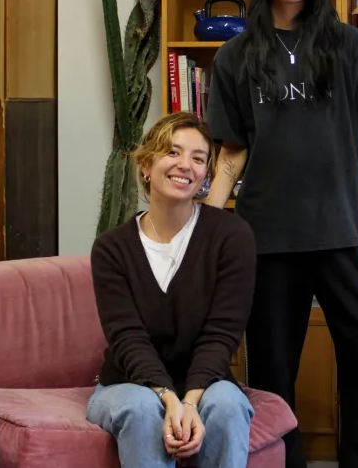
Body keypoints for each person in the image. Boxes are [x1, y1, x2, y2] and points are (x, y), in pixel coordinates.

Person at [206, 0, 358, 468]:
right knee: (272, 377)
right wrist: (206, 231)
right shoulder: (235, 56)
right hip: (267, 239)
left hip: (345, 233)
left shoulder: (348, 45)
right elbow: (232, 153)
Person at [87, 110, 257, 468]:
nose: (185, 165)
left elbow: (222, 334)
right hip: (129, 384)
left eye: (198, 159)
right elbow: (127, 337)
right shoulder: (111, 249)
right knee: (141, 409)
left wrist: (190, 400)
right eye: (172, 152)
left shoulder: (231, 236)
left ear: (205, 175)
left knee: (227, 405)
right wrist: (167, 397)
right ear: (146, 165)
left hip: (207, 382)